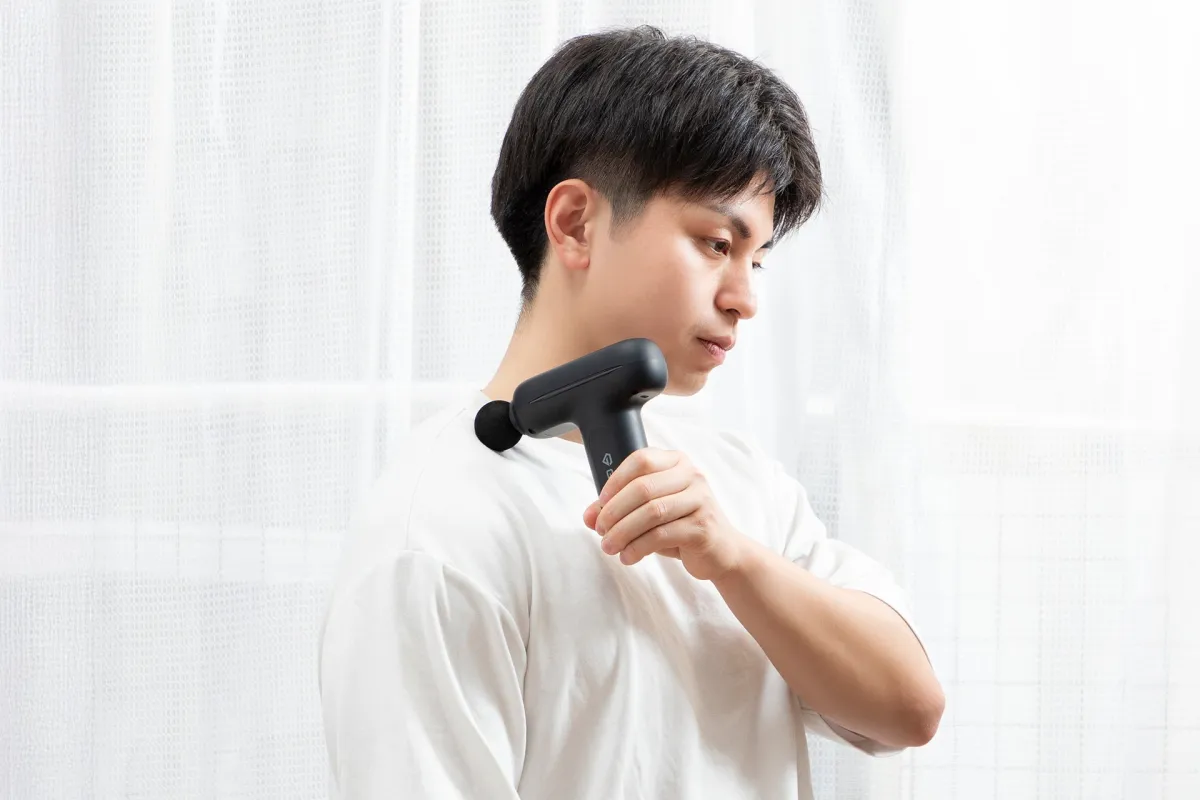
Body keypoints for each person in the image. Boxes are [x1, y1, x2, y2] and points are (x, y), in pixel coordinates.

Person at [318, 25, 943, 799]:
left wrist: (733, 561)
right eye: (717, 244)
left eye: (757, 260)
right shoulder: (436, 533)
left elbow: (909, 708)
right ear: (576, 224)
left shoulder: (738, 485)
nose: (745, 298)